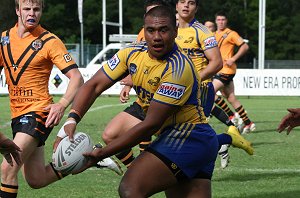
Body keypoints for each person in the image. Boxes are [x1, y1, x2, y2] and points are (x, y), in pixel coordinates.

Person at [57, 6, 219, 197]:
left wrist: (102, 153)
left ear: (175, 31)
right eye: (151, 30)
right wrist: (72, 119)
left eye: (163, 30)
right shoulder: (132, 53)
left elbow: (150, 125)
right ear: (144, 31)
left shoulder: (178, 68)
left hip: (188, 137)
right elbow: (94, 85)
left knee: (130, 188)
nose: (156, 37)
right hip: (192, 140)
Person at [0, 0, 84, 196]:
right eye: (27, 9)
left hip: (39, 113)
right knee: (36, 179)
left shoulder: (49, 41)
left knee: (7, 168)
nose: (32, 14)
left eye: (36, 9)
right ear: (17, 10)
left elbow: (77, 77)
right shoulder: (4, 39)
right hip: (17, 115)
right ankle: (89, 158)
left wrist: (62, 104)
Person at [175, 0, 253, 169]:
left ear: (196, 8)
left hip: (202, 86)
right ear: (176, 6)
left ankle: (231, 132)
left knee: (187, 133)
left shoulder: (204, 32)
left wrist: (194, 80)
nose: (186, 5)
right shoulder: (169, 28)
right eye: (182, 2)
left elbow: (218, 62)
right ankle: (229, 136)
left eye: (191, 3)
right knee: (230, 99)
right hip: (177, 87)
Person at [102, 0, 170, 169]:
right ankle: (134, 170)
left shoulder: (174, 38)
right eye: (149, 15)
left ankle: (225, 138)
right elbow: (137, 64)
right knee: (110, 135)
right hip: (144, 102)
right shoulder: (141, 36)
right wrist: (129, 84)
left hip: (167, 107)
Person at [212, 11, 256, 134]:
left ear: (226, 21)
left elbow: (245, 47)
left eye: (223, 19)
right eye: (219, 19)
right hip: (219, 69)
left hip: (227, 70)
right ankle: (248, 123)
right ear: (216, 21)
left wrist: (233, 58)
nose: (221, 22)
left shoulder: (231, 34)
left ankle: (231, 116)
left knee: (209, 91)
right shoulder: (213, 35)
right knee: (231, 98)